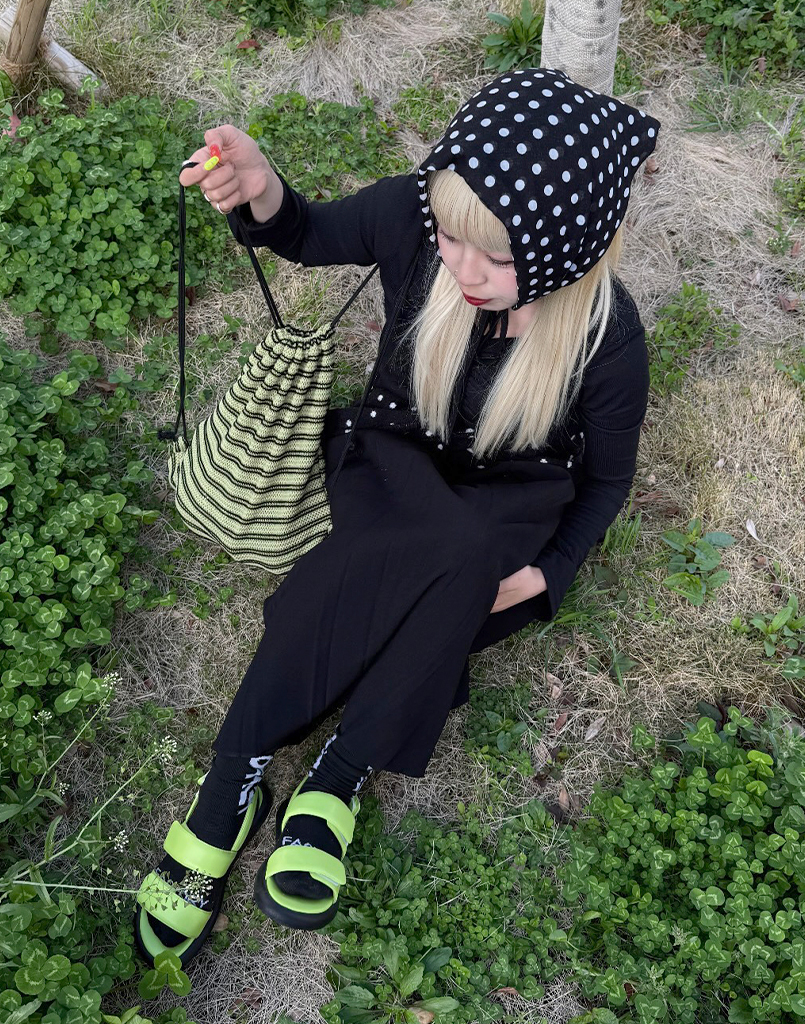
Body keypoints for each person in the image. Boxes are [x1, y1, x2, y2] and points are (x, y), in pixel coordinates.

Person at [134, 67, 660, 967]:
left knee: (433, 564)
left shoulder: (605, 340)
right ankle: (249, 785)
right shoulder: (416, 218)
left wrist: (551, 572)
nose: (463, 268)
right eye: (453, 238)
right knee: (400, 572)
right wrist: (261, 188)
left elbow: (608, 481)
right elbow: (305, 232)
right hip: (393, 465)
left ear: (568, 248)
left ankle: (322, 778)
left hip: (508, 510)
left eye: (497, 258)